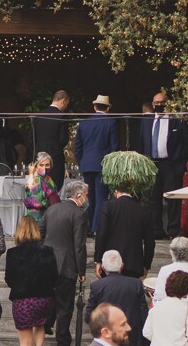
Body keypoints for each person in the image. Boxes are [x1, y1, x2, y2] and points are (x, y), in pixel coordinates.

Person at [3, 214, 60, 346]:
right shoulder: (47, 250)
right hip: (44, 298)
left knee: (24, 343)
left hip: (22, 300)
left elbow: (9, 279)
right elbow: (54, 276)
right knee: (40, 322)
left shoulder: (12, 253)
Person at [43, 179, 90, 346]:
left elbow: (40, 232)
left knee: (51, 299)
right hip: (67, 265)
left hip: (48, 262)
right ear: (78, 196)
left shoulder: (52, 209)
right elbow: (79, 245)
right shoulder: (79, 214)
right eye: (85, 195)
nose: (86, 198)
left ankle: (47, 323)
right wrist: (82, 271)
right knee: (65, 306)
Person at [141, 92, 188, 238]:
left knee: (173, 199)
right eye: (156, 103)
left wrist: (180, 163)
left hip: (171, 164)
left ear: (167, 104)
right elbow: (141, 143)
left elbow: (186, 145)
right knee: (153, 198)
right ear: (152, 104)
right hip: (152, 164)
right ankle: (156, 230)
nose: (158, 105)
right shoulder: (146, 121)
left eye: (161, 102)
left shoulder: (178, 120)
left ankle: (173, 230)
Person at [86, 250, 149, 346]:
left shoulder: (97, 286)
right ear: (122, 265)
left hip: (106, 338)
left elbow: (89, 315)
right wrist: (145, 341)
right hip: (131, 339)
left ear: (103, 267)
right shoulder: (135, 284)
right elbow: (144, 314)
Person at [75, 94, 120, 233]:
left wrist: (82, 162)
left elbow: (78, 147)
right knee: (101, 197)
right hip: (103, 165)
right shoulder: (111, 122)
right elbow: (114, 147)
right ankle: (96, 227)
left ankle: (88, 227)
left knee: (90, 197)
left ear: (94, 107)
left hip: (87, 164)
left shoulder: (84, 123)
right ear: (107, 109)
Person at [95, 177, 155, 277]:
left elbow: (101, 235)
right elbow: (150, 242)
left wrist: (98, 260)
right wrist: (146, 265)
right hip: (134, 264)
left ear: (116, 190)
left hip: (110, 263)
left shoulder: (108, 207)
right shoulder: (144, 211)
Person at [31, 90, 71, 188]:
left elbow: (31, 139)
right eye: (67, 104)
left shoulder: (37, 116)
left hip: (39, 158)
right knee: (54, 188)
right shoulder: (62, 116)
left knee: (39, 187)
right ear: (63, 101)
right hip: (55, 159)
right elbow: (63, 140)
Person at [23, 152, 59, 229]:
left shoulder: (49, 179)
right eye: (41, 165)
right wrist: (51, 203)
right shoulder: (35, 179)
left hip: (49, 217)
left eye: (47, 165)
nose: (44, 168)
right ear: (36, 166)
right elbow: (36, 201)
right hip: (37, 218)